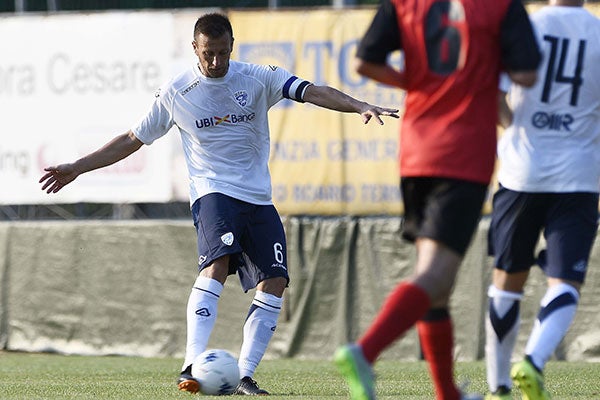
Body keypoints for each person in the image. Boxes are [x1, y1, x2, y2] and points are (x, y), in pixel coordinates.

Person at [39, 12, 399, 396]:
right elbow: (132, 139)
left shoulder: (258, 77)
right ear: (194, 48)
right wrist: (77, 167)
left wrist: (359, 104)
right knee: (217, 263)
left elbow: (313, 91)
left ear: (232, 47)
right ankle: (191, 364)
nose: (216, 62)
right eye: (208, 53)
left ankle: (243, 375)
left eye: (223, 53)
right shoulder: (177, 92)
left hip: (259, 197)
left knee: (275, 281)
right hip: (213, 192)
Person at [333, 1, 541, 399]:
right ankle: (365, 351)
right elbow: (526, 74)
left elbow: (364, 63)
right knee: (436, 277)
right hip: (463, 154)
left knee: (436, 282)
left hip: (416, 152)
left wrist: (416, 82)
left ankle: (447, 392)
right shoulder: (500, 7)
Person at [484, 1, 600, 399]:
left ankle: (498, 387)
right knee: (565, 280)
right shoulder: (598, 32)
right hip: (579, 174)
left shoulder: (524, 25)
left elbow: (495, 97)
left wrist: (518, 126)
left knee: (506, 281)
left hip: (521, 172)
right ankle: (532, 361)